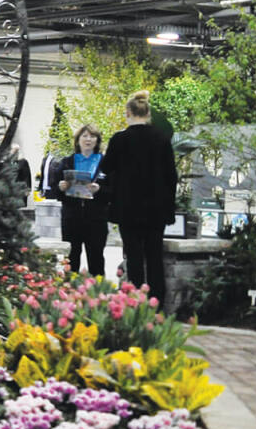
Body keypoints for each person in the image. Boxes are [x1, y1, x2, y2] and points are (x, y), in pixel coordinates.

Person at [99, 90, 177, 302]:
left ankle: (136, 302)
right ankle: (157, 302)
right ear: (148, 113)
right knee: (154, 257)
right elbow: (172, 176)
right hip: (156, 210)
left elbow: (106, 167)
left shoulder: (120, 140)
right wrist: (169, 207)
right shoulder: (161, 139)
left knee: (134, 257)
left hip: (128, 209)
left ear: (128, 113)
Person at [56, 124, 108, 275]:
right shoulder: (66, 162)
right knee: (71, 258)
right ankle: (70, 292)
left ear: (97, 141)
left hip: (96, 218)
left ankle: (98, 294)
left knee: (96, 258)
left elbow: (114, 189)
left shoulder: (105, 163)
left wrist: (99, 190)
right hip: (72, 217)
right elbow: (55, 190)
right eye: (84, 136)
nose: (88, 139)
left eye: (92, 136)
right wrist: (61, 187)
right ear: (77, 140)